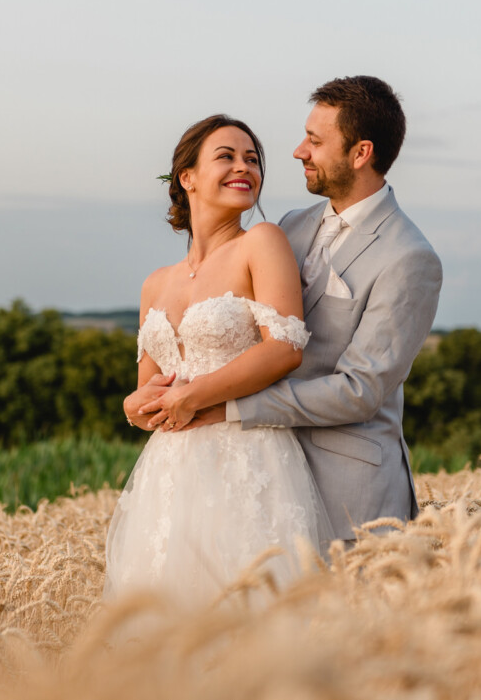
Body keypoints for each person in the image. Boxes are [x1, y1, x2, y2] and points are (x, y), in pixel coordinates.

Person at [128, 76, 442, 541]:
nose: (298, 151)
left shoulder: (409, 258)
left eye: (315, 141)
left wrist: (226, 408)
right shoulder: (292, 226)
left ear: (360, 154)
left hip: (348, 489)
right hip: (251, 473)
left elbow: (359, 390)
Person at [103, 114, 333, 608]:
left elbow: (285, 348)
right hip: (168, 476)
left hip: (247, 459)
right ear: (186, 177)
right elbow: (149, 387)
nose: (243, 167)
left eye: (252, 159)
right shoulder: (154, 283)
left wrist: (193, 396)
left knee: (247, 613)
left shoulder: (261, 242)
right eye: (226, 156)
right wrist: (133, 406)